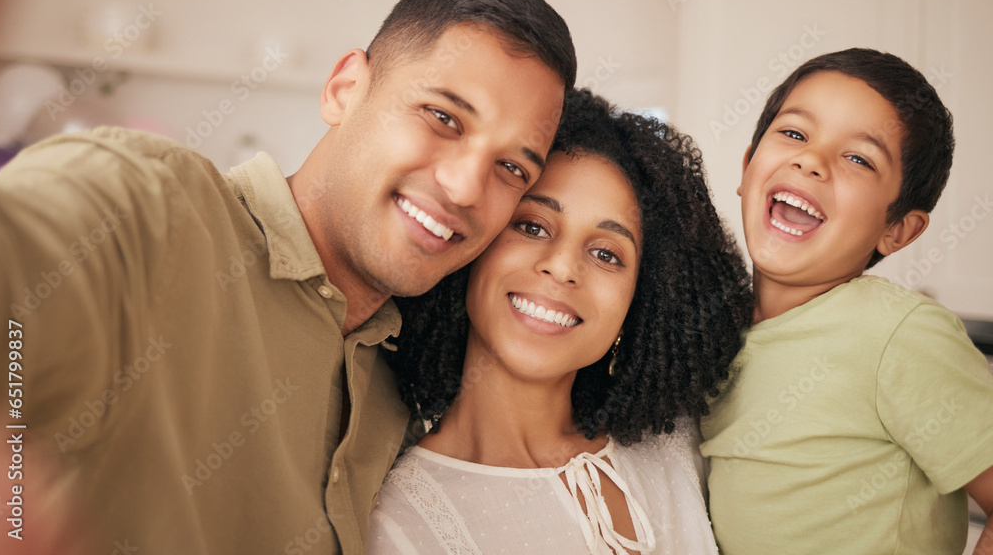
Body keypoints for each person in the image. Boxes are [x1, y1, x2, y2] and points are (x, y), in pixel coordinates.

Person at [0, 0, 576, 554]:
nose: (465, 187)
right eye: (443, 117)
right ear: (345, 89)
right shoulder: (145, 204)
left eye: (512, 169)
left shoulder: (405, 380)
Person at [367, 89, 753, 554]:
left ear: (643, 303)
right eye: (532, 227)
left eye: (607, 254)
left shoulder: (681, 449)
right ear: (474, 247)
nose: (564, 267)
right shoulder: (399, 524)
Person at [700, 48, 993, 554]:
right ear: (748, 170)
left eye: (858, 158)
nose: (811, 160)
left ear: (898, 229)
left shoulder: (899, 334)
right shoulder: (713, 334)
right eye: (794, 133)